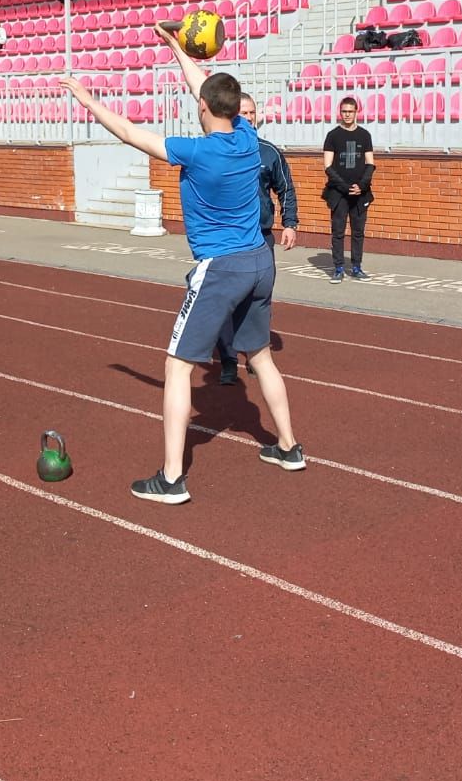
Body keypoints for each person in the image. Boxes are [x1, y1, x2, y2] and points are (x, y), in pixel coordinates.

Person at [58, 27, 302, 504]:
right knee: (260, 357)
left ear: (204, 109)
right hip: (259, 261)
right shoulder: (249, 138)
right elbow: (204, 86)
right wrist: (175, 49)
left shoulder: (197, 149)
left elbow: (129, 133)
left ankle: (171, 478)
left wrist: (87, 101)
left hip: (221, 268)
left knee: (176, 367)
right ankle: (289, 448)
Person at [214, 91, 298, 386]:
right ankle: (227, 358)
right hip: (230, 240)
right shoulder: (224, 150)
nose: (249, 118)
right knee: (227, 300)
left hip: (262, 238)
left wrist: (290, 224)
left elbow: (286, 189)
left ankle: (254, 355)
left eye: (252, 113)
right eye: (243, 113)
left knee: (259, 300)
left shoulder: (269, 152)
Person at [322, 97, 375, 283]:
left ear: (356, 111)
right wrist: (344, 187)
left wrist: (361, 185)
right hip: (339, 193)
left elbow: (370, 163)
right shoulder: (332, 135)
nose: (347, 114)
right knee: (338, 231)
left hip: (360, 193)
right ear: (340, 112)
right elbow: (328, 166)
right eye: (344, 111)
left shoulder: (365, 135)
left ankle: (356, 267)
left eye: (350, 111)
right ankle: (338, 268)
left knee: (358, 232)